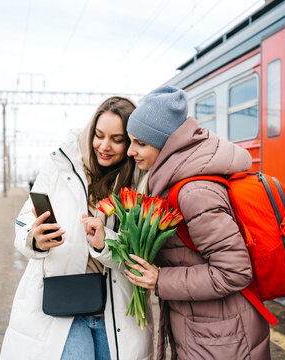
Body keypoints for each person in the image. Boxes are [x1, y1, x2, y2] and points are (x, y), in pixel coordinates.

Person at [97, 85, 271, 359]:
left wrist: (160, 279)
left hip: (221, 338)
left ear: (168, 144)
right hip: (210, 331)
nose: (130, 152)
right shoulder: (177, 179)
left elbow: (234, 272)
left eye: (140, 143)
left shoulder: (194, 192)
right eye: (130, 141)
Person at [0, 96, 154, 360]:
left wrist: (105, 243)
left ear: (130, 142)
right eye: (99, 135)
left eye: (117, 139)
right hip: (61, 306)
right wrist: (34, 238)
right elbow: (24, 220)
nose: (104, 146)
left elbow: (141, 253)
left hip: (115, 310)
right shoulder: (60, 165)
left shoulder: (140, 180)